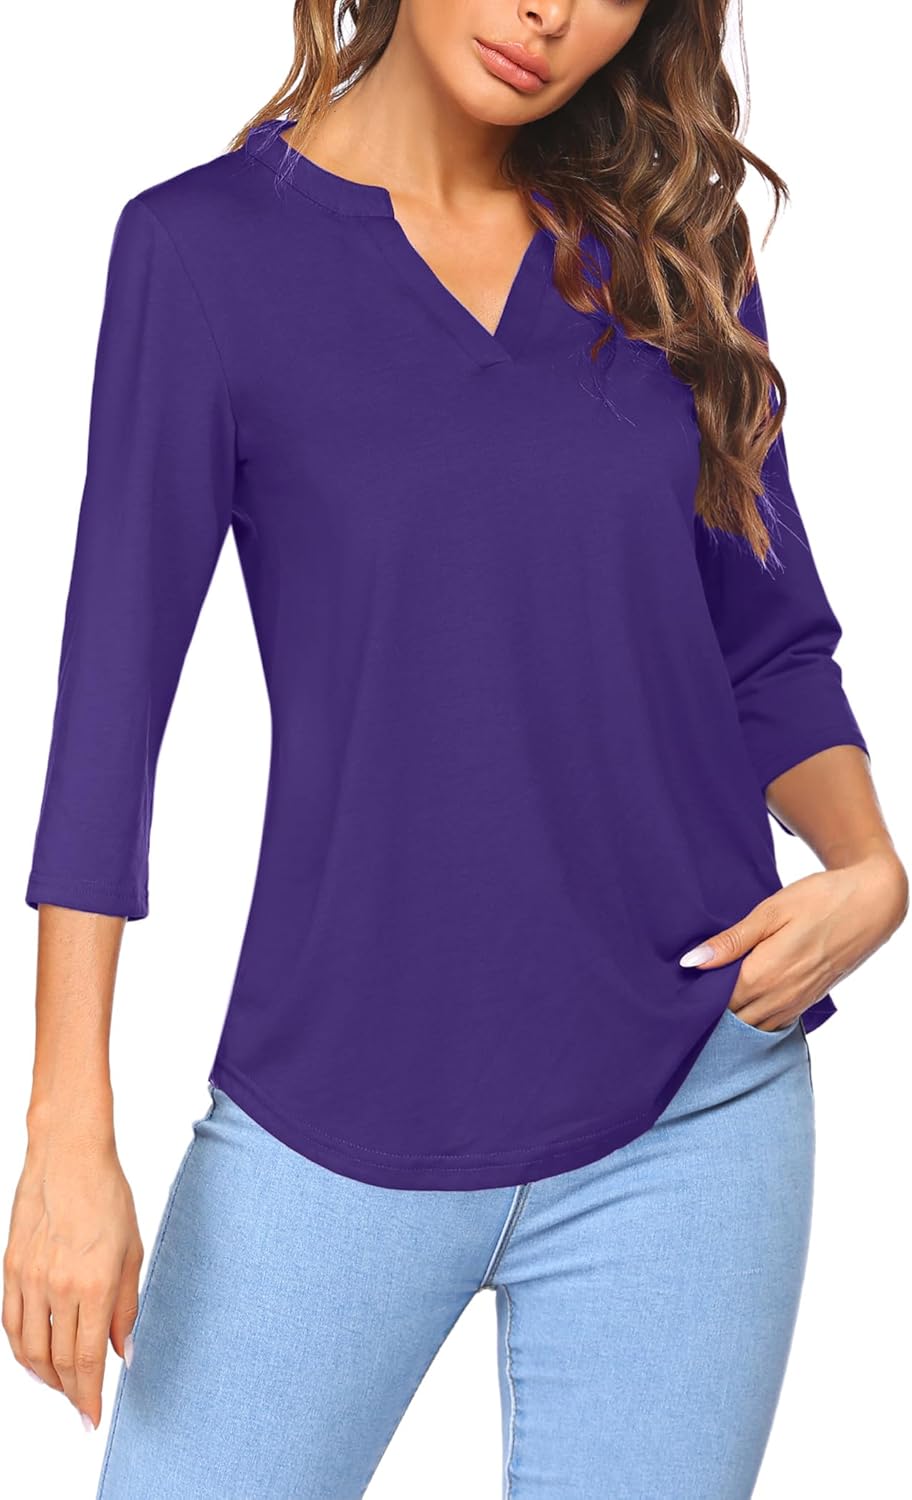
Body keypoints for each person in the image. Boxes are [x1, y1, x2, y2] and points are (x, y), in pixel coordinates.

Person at [5, 2, 907, 1496]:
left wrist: (872, 867)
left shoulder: (675, 246)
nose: (550, 11)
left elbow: (765, 640)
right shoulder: (203, 253)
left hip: (691, 1103)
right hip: (337, 1104)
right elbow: (111, 714)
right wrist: (64, 1129)